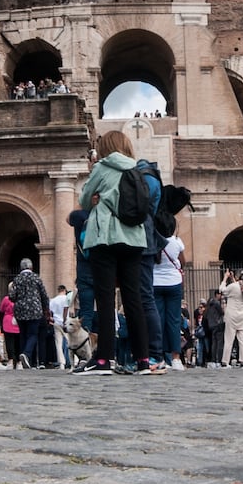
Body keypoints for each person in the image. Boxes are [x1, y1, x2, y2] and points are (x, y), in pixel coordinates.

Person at [74, 130, 155, 375]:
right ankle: (142, 360)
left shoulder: (102, 168)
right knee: (134, 300)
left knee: (106, 299)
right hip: (134, 239)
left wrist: (96, 193)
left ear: (106, 146)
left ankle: (104, 360)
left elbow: (85, 200)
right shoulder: (137, 169)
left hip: (106, 239)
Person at [152, 223, 187, 371]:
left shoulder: (153, 240)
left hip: (155, 282)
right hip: (174, 283)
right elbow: (183, 262)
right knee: (174, 321)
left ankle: (158, 357)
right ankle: (176, 358)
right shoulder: (176, 241)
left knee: (158, 320)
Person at [9, 258, 49, 369]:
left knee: (23, 334)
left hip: (20, 310)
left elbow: (12, 296)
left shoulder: (17, 279)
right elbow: (44, 295)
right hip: (34, 309)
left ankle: (25, 362)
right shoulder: (36, 278)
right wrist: (46, 309)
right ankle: (26, 354)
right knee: (33, 334)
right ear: (31, 267)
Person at [219, 268, 243, 367]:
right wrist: (233, 279)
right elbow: (239, 289)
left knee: (229, 338)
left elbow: (222, 290)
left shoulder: (232, 286)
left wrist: (225, 278)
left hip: (232, 315)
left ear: (238, 276)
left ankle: (225, 361)